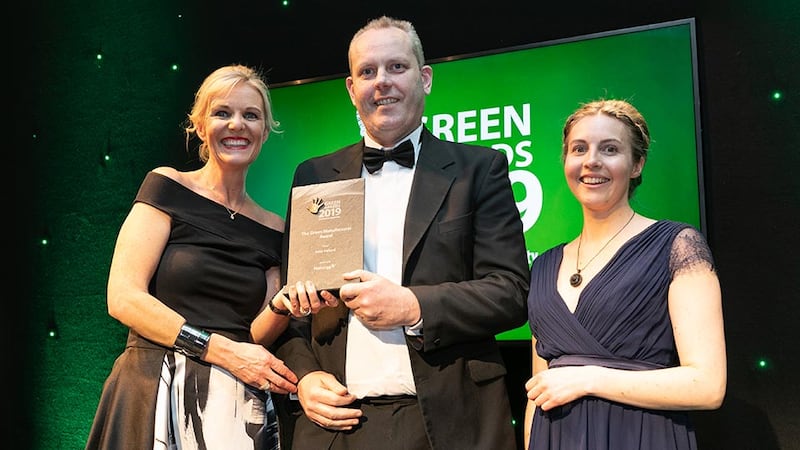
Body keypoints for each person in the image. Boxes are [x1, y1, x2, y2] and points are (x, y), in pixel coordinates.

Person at [272, 15, 530, 450]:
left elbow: (510, 292)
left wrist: (412, 306)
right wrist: (305, 376)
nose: (382, 82)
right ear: (351, 89)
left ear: (424, 78)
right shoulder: (313, 176)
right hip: (335, 426)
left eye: (396, 67)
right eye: (367, 71)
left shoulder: (478, 170)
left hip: (451, 423)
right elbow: (293, 304)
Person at [85, 64, 304, 450]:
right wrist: (220, 350)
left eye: (251, 115)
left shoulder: (275, 227)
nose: (237, 124)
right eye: (222, 113)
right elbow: (123, 298)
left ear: (265, 132)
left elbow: (254, 334)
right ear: (200, 126)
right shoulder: (167, 186)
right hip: (153, 389)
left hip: (232, 409)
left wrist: (284, 305)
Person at [523, 99, 727, 450]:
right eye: (579, 149)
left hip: (642, 437)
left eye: (610, 149)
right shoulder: (543, 266)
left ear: (637, 164)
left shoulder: (677, 245)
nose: (591, 161)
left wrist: (589, 379)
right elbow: (539, 391)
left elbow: (708, 386)